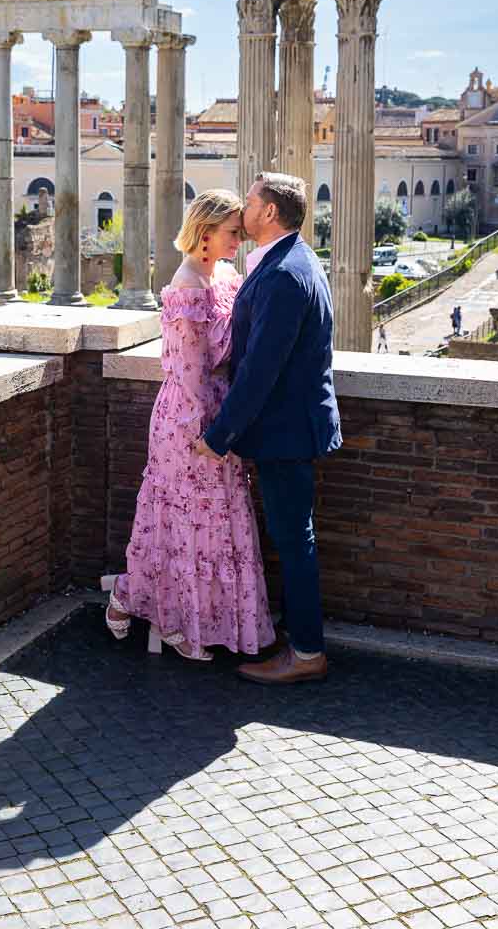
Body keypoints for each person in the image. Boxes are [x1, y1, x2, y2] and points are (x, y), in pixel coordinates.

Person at [101, 190, 273, 662]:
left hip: (220, 410)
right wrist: (208, 434)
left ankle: (176, 617)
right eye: (232, 232)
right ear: (205, 233)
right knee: (183, 524)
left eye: (240, 231)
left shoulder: (226, 275)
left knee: (214, 525)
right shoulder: (186, 285)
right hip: (188, 419)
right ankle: (145, 604)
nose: (240, 239)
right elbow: (190, 370)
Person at [196, 173, 341, 685]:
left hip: (286, 431)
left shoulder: (282, 275)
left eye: (252, 201)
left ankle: (306, 654)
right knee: (291, 535)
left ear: (271, 213)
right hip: (291, 425)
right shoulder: (295, 259)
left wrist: (218, 438)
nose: (244, 209)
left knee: (295, 539)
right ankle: (298, 639)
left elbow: (261, 369)